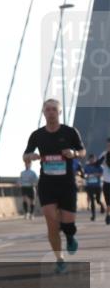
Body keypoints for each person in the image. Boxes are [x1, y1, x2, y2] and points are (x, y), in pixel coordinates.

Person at [23, 99, 86, 274]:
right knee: (51, 222)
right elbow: (25, 154)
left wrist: (74, 153)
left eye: (54, 110)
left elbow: (82, 151)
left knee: (68, 223)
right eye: (47, 109)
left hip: (66, 184)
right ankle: (60, 259)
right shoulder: (37, 135)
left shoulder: (70, 132)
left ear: (59, 112)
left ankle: (70, 235)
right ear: (44, 113)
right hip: (47, 184)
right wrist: (30, 156)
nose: (51, 112)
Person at [82, 155, 105, 222]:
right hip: (89, 186)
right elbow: (84, 174)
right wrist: (86, 176)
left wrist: (95, 175)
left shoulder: (99, 166)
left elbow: (102, 174)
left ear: (95, 159)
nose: (92, 160)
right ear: (89, 159)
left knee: (97, 200)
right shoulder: (87, 167)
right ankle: (93, 215)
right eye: (90, 159)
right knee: (92, 200)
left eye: (93, 159)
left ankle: (101, 205)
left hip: (97, 186)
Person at [101, 138, 110, 226]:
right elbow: (97, 163)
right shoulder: (104, 154)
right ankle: (108, 215)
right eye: (108, 145)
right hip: (106, 182)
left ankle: (108, 215)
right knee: (108, 202)